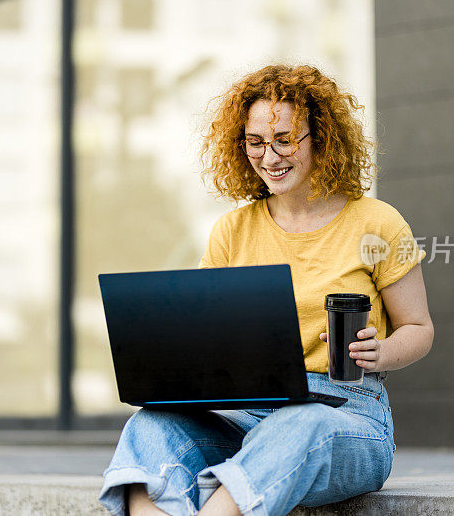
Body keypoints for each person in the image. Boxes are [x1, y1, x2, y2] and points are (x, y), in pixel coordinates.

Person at [98, 64, 433, 516]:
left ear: (322, 138)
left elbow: (418, 327)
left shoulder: (377, 223)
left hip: (346, 414)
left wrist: (380, 353)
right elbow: (202, 335)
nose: (269, 157)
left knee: (303, 423)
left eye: (284, 140)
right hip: (246, 416)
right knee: (151, 425)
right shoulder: (232, 231)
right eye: (255, 143)